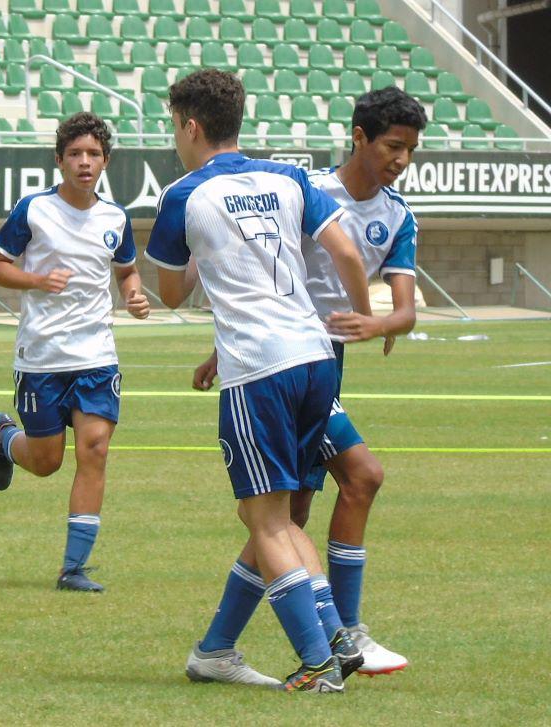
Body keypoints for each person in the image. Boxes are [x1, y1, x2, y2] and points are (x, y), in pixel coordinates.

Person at [145, 69, 376, 692]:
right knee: (285, 518)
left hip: (258, 367)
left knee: (265, 521)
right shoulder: (291, 176)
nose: (175, 138)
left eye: (174, 126)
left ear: (191, 125)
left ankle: (319, 666)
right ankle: (334, 638)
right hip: (316, 357)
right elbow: (348, 254)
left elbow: (170, 292)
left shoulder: (183, 195)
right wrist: (363, 318)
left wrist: (205, 245)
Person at [189, 87, 424, 677]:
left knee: (284, 516)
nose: (400, 159)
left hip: (319, 368)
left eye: (410, 150)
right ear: (359, 137)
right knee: (357, 478)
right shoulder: (302, 188)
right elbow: (256, 269)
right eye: (393, 145)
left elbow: (404, 313)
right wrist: (227, 346)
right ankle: (347, 634)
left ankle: (217, 648)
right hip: (285, 362)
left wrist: (375, 321)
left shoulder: (396, 215)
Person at [0, 112, 150, 593]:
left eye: (93, 154)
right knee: (46, 461)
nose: (84, 162)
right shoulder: (33, 211)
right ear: (59, 161)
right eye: (74, 154)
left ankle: (73, 568)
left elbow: (125, 271)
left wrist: (134, 294)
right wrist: (36, 279)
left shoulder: (115, 218)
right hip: (40, 357)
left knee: (94, 450)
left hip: (96, 355)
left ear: (105, 161)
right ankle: (4, 437)